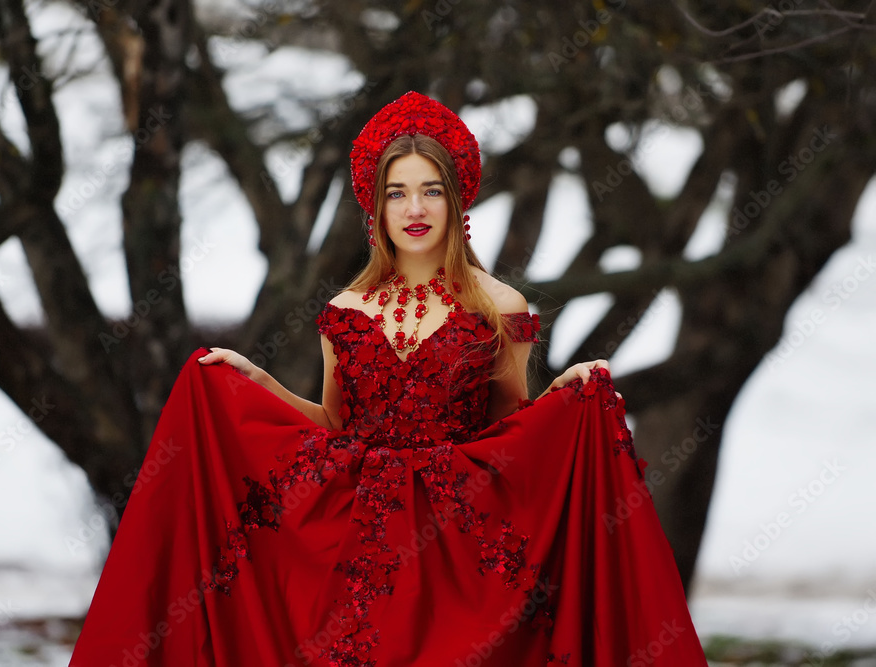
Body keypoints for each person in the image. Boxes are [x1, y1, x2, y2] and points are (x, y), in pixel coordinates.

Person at [70, 92, 708, 666]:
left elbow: (513, 430)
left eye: (430, 190)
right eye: (398, 192)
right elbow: (334, 424)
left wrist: (569, 392)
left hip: (458, 543)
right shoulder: (345, 312)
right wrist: (254, 380)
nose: (414, 208)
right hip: (360, 538)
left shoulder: (500, 305)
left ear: (456, 198)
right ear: (376, 205)